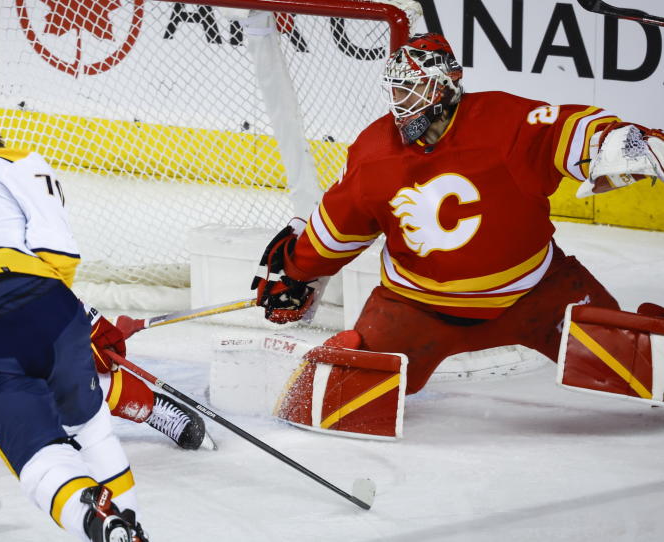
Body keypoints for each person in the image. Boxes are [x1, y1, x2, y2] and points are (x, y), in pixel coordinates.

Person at [252, 33, 664, 434]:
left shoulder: (506, 122)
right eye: (397, 92)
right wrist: (296, 268)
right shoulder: (373, 149)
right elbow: (338, 227)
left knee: (637, 364)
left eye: (413, 91)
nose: (402, 104)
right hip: (416, 308)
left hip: (539, 296)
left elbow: (569, 130)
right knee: (323, 403)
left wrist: (621, 142)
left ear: (448, 86)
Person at [0, 92, 148, 541]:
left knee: (38, 454)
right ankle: (129, 524)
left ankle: (97, 521)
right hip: (44, 308)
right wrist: (61, 323)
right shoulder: (15, 161)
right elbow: (58, 252)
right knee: (91, 430)